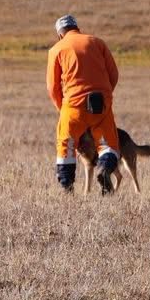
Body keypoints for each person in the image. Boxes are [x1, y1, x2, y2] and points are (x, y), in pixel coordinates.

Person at [47, 13, 121, 194]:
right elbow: (114, 75)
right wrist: (106, 95)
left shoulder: (56, 49)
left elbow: (52, 86)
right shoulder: (98, 42)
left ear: (59, 34)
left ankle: (67, 187)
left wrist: (62, 108)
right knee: (108, 145)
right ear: (77, 28)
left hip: (73, 105)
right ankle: (104, 169)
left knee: (67, 144)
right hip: (101, 103)